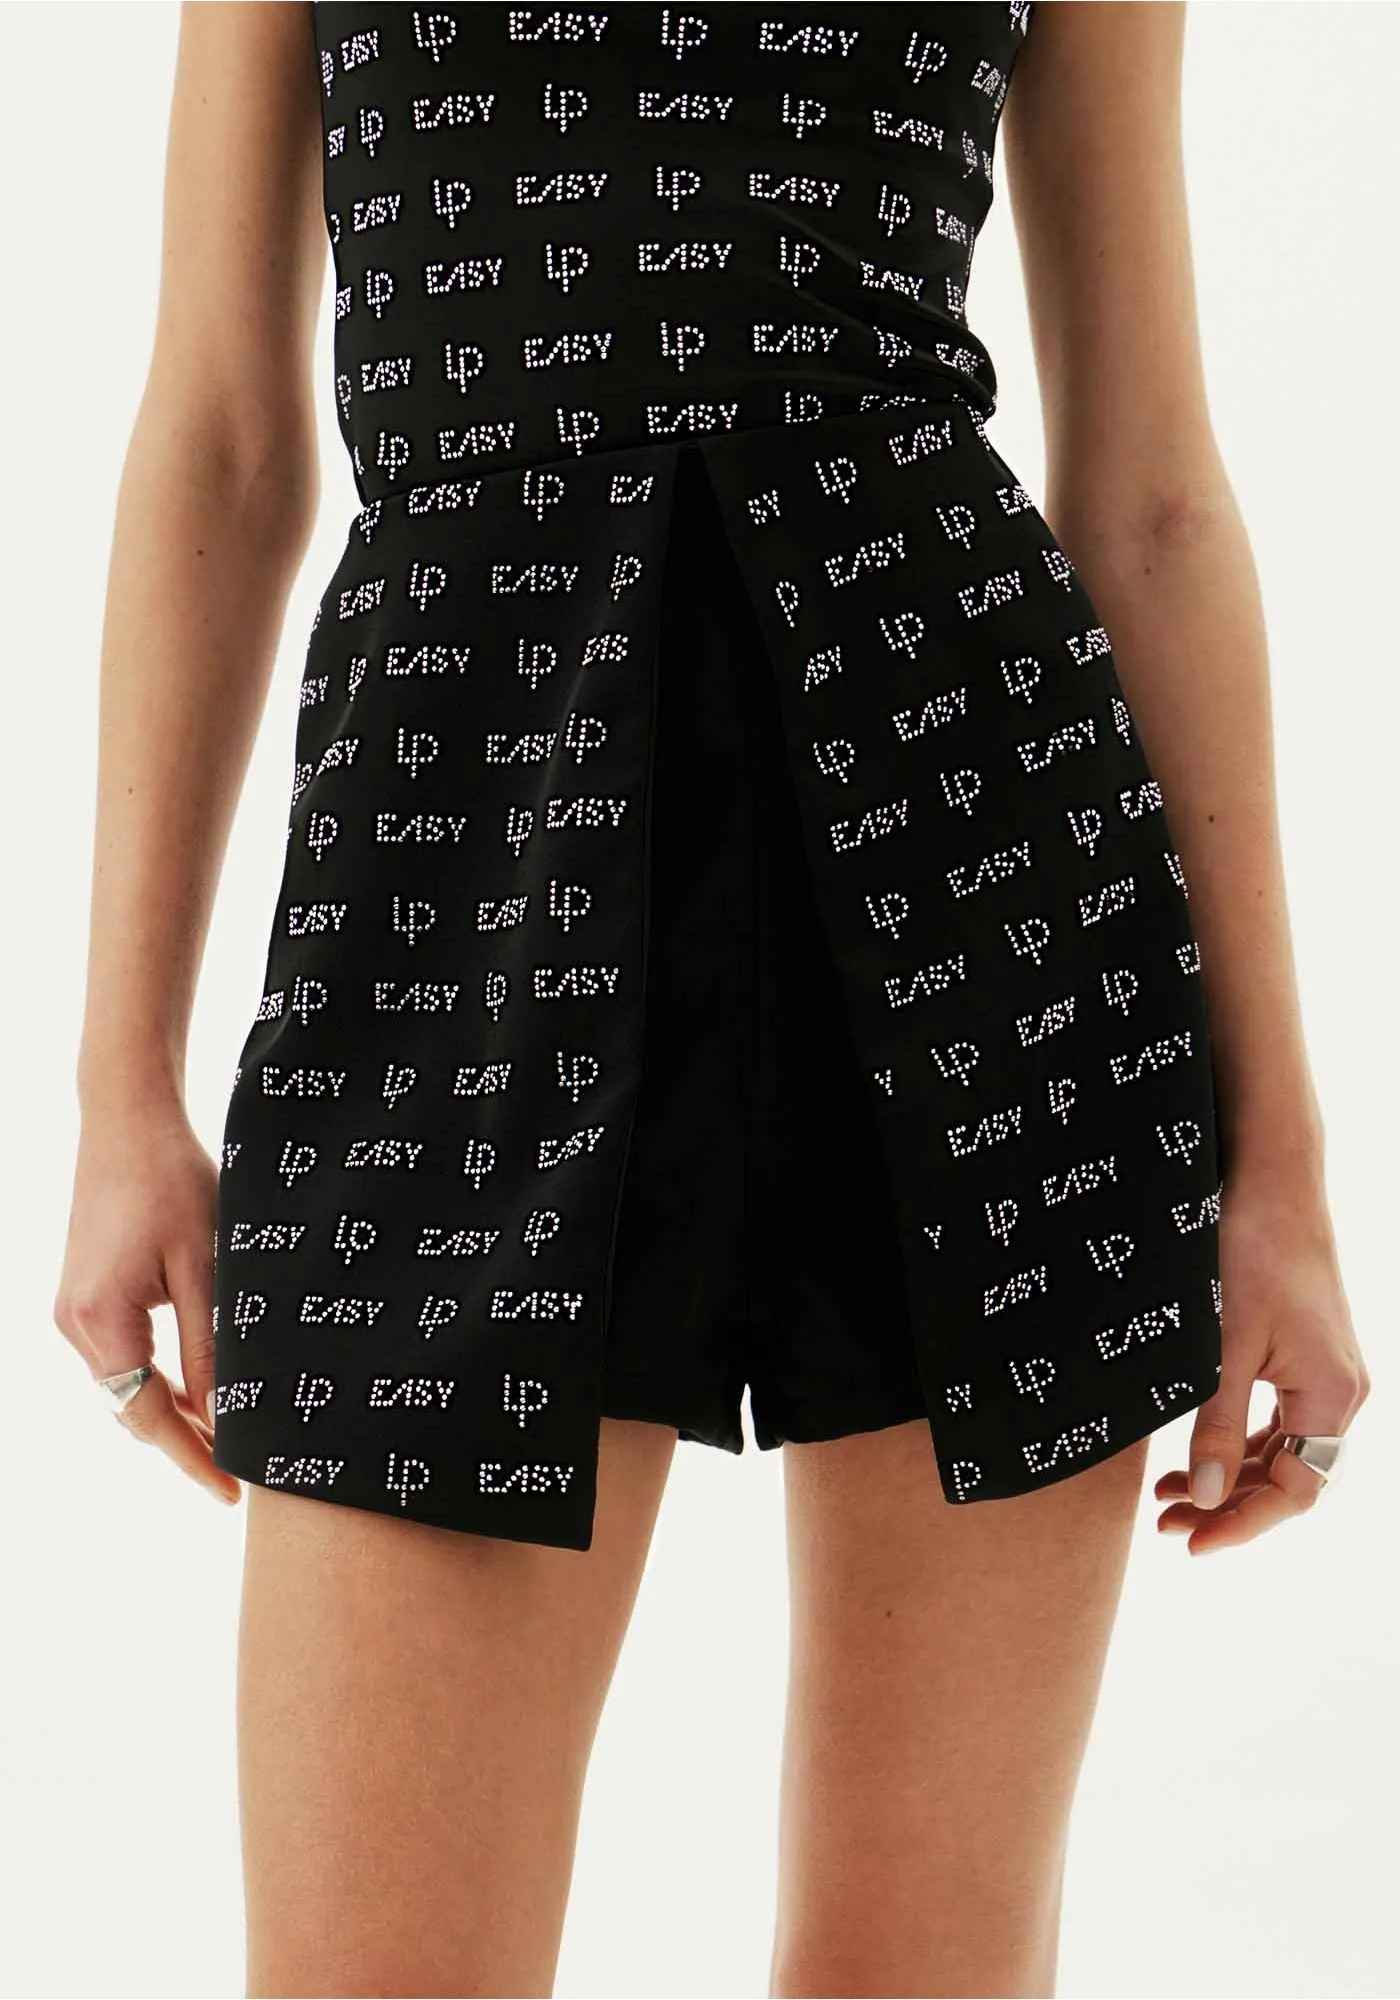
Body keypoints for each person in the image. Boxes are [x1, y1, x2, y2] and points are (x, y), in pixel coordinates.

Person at [53, 3, 1368, 1994]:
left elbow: (1153, 496)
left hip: (975, 905)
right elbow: (223, 440)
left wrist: (1282, 1162)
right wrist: (119, 1086)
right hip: (456, 900)